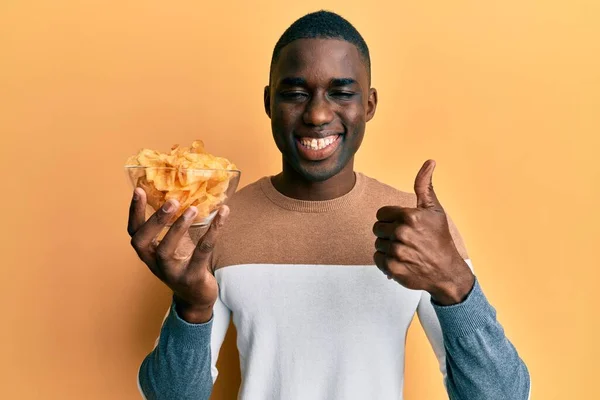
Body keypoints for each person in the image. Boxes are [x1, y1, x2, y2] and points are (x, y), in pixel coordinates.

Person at [129, 10, 531, 400]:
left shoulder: (419, 228)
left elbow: (503, 395)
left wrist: (455, 282)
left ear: (369, 105)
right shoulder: (219, 221)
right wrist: (191, 308)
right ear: (270, 103)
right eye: (295, 94)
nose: (318, 114)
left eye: (341, 93)